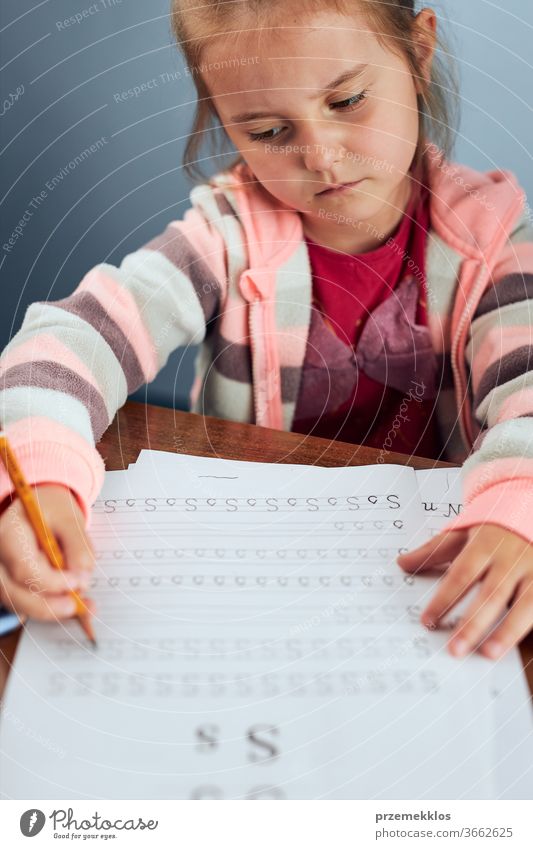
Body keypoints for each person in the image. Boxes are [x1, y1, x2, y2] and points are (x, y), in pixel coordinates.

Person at [0, 0, 532, 659]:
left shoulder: (493, 239)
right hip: (252, 558)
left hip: (428, 565)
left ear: (418, 56)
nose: (322, 156)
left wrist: (519, 501)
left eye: (348, 100)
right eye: (270, 130)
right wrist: (40, 475)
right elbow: (67, 342)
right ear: (223, 121)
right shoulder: (225, 236)